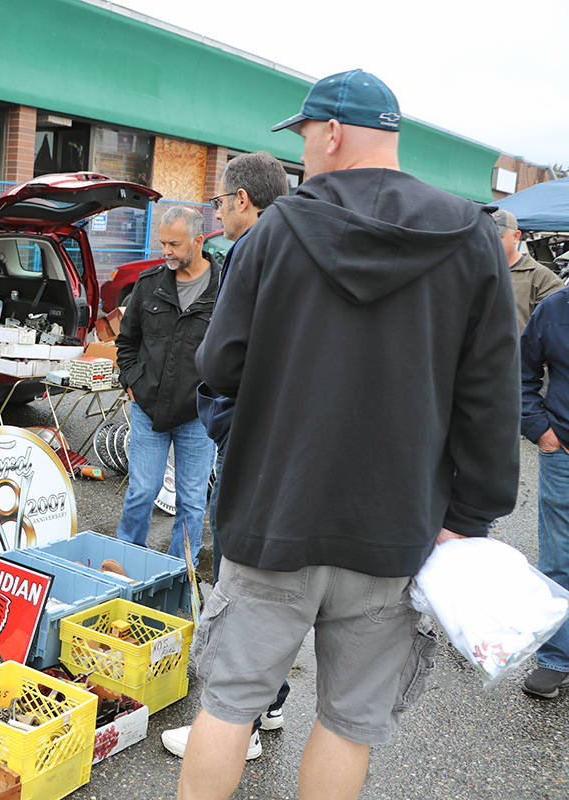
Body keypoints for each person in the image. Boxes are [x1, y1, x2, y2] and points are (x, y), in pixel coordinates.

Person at [184, 69, 520, 800]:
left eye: (304, 136)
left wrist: (251, 433)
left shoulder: (277, 228)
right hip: (395, 527)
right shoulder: (471, 237)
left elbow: (218, 361)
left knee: (229, 704)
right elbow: (490, 395)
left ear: (332, 132)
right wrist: (471, 516)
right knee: (348, 722)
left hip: (276, 512)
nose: (304, 152)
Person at [163, 151, 291, 762]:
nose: (216, 212)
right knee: (276, 583)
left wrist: (217, 413)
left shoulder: (252, 251)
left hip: (253, 437)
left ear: (242, 200)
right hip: (291, 442)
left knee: (239, 576)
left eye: (218, 201)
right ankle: (270, 704)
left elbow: (225, 356)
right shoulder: (306, 242)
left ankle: (235, 720)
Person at [115, 205, 217, 563]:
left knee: (191, 501)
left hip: (197, 416)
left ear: (198, 240)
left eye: (174, 244)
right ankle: (125, 565)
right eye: (163, 244)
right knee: (142, 491)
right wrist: (131, 380)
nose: (166, 252)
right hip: (148, 408)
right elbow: (126, 342)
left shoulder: (224, 292)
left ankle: (178, 575)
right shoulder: (148, 285)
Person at [519, 283, 569, 698]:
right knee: (560, 557)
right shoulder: (553, 310)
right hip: (564, 454)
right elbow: (520, 375)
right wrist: (542, 432)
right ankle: (556, 656)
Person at [493, 208, 562, 332]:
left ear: (516, 236)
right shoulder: (474, 271)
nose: (491, 241)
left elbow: (553, 332)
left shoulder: (542, 279)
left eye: (499, 237)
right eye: (486, 235)